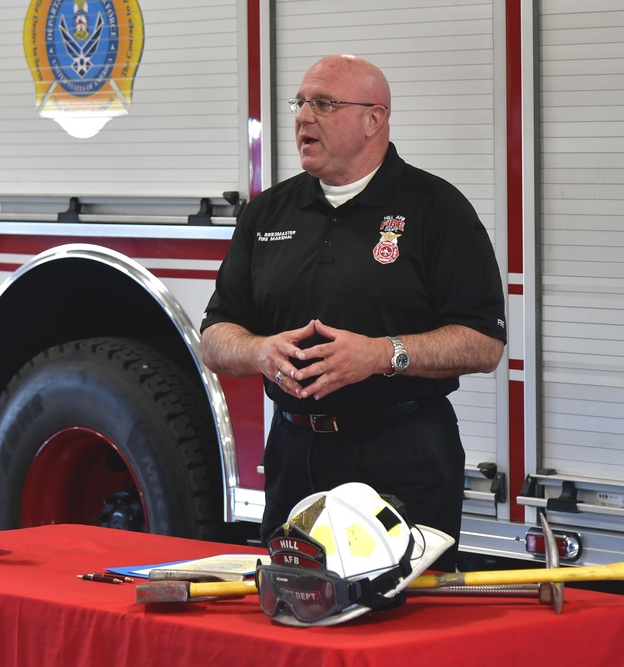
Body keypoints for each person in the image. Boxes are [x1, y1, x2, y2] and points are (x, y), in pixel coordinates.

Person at [200, 54, 506, 572]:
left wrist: (380, 355)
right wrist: (258, 350)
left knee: (399, 630)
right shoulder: (267, 212)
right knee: (293, 615)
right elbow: (215, 337)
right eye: (300, 103)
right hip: (295, 455)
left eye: (323, 103)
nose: (302, 117)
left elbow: (483, 342)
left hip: (402, 456)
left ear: (374, 120)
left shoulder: (437, 208)